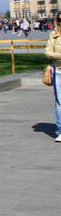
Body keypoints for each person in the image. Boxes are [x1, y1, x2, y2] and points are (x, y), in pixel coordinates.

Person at [45, 13, 61, 141]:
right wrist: (59, 56)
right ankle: (60, 130)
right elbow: (47, 52)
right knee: (59, 102)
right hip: (58, 71)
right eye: (59, 20)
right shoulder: (54, 35)